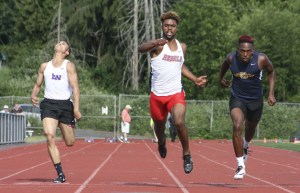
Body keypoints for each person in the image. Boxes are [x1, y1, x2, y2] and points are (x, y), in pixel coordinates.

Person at [138, 11, 207, 174]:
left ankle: (187, 154)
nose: (169, 28)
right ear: (162, 27)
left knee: (179, 121)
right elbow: (141, 48)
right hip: (157, 96)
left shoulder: (182, 47)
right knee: (160, 130)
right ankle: (162, 143)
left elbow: (180, 66)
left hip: (175, 93)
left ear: (176, 28)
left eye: (172, 26)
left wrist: (195, 79)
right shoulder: (158, 45)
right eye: (167, 25)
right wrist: (155, 42)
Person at [218, 35, 276, 180]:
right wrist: (220, 79)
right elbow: (225, 64)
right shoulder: (232, 58)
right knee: (237, 125)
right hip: (237, 98)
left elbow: (272, 71)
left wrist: (271, 93)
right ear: (238, 50)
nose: (244, 54)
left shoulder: (261, 59)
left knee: (250, 130)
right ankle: (240, 166)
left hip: (256, 101)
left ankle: (245, 145)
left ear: (252, 51)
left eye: (248, 51)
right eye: (242, 51)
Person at [31, 40, 82, 183]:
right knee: (49, 135)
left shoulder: (69, 66)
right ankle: (60, 174)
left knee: (70, 142)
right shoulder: (44, 66)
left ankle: (64, 123)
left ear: (67, 52)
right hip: (49, 104)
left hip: (65, 105)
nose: (60, 43)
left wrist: (76, 108)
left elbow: (76, 88)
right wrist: (34, 94)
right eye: (59, 42)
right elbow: (38, 84)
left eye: (63, 43)